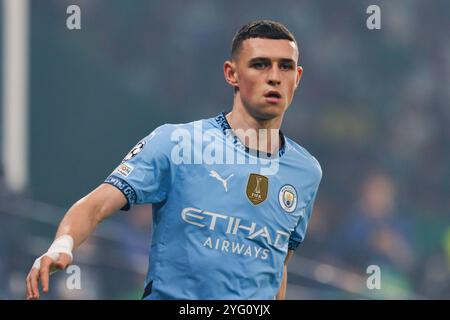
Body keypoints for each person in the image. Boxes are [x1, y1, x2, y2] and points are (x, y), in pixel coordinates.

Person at [26, 20, 322, 300]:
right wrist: (61, 245)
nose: (274, 76)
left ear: (296, 78)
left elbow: (276, 264)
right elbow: (95, 205)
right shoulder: (177, 143)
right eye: (260, 64)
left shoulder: (306, 172)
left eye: (285, 66)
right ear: (231, 74)